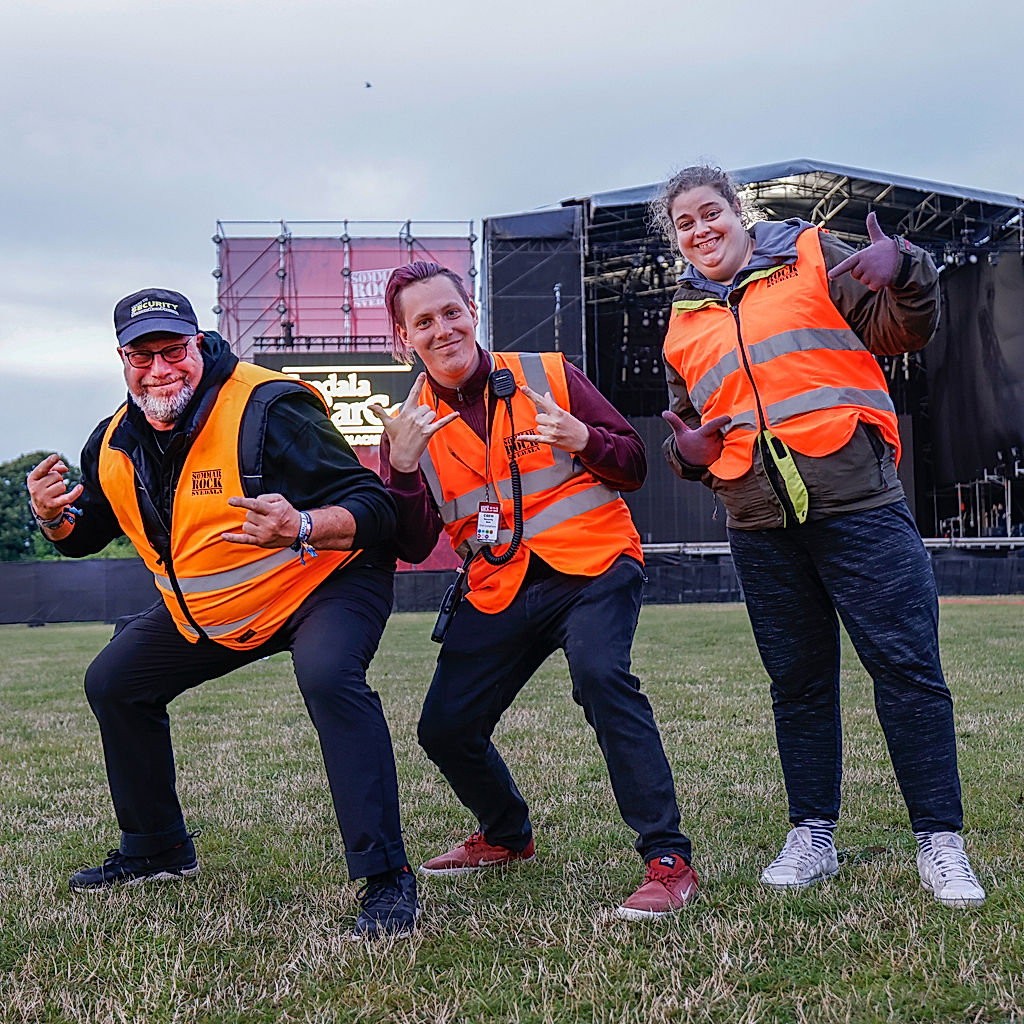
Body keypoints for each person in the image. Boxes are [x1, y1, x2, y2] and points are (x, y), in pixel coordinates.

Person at [26, 287, 417, 938]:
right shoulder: (113, 442)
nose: (159, 369)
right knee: (114, 684)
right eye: (141, 354)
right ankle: (157, 849)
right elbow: (89, 528)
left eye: (173, 350)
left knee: (328, 677)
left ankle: (387, 880)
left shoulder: (271, 409)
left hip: (325, 578)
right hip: (221, 606)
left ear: (199, 344)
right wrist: (52, 518)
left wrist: (303, 524)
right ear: (121, 358)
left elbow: (378, 510)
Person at [651, 165, 985, 907]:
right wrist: (688, 458)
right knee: (797, 687)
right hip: (759, 524)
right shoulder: (682, 321)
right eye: (684, 224)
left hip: (857, 500)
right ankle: (813, 835)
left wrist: (906, 269)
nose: (700, 230)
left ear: (738, 213)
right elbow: (688, 428)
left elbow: (903, 327)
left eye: (711, 213)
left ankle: (940, 840)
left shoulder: (808, 251)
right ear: (677, 238)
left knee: (906, 670)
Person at [368, 260, 696, 920]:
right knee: (444, 729)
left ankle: (669, 860)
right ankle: (506, 835)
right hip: (497, 587)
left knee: (602, 677)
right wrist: (400, 470)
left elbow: (632, 462)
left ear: (473, 312)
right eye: (423, 322)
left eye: (450, 312)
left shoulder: (546, 374)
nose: (442, 329)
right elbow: (408, 541)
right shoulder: (407, 426)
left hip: (594, 565)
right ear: (403, 338)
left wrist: (585, 438)